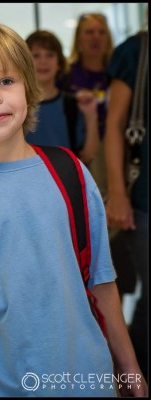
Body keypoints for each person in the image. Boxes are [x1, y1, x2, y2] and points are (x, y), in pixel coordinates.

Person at [0, 21, 147, 397]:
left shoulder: (72, 174)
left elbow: (101, 283)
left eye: (5, 81)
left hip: (85, 380)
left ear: (29, 89)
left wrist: (129, 369)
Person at [104, 28, 148, 382]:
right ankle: (136, 378)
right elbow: (116, 123)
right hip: (145, 197)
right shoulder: (136, 52)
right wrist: (117, 191)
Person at [58, 13, 113, 200]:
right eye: (89, 32)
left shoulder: (118, 74)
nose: (95, 37)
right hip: (81, 150)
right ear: (78, 39)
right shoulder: (66, 75)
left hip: (118, 145)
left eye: (101, 32)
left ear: (108, 38)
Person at [25, 30, 100, 165]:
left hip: (64, 183)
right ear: (25, 63)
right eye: (36, 55)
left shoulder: (72, 105)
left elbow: (88, 155)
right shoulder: (18, 106)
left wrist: (91, 115)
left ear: (59, 62)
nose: (43, 61)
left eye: (50, 55)